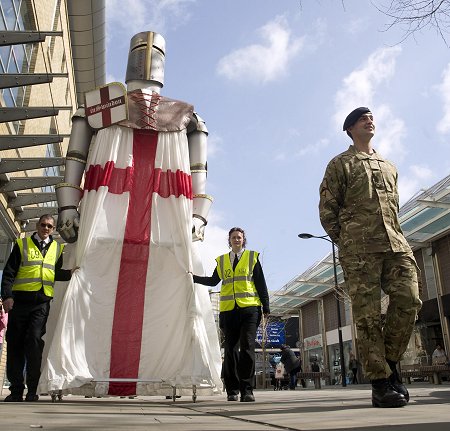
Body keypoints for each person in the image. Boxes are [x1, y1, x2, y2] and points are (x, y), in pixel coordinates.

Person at [38, 31, 222, 398]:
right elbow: (74, 157)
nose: (148, 55)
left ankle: (162, 372)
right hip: (105, 214)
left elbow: (200, 169)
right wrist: (68, 208)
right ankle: (84, 369)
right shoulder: (99, 108)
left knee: (169, 286)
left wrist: (198, 217)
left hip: (165, 218)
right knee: (89, 280)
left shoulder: (186, 117)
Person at [319, 107, 422, 408]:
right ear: (350, 129)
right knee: (366, 315)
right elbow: (327, 209)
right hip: (359, 249)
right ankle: (380, 383)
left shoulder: (389, 166)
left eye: (371, 117)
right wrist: (347, 241)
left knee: (409, 298)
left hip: (395, 244)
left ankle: (389, 363)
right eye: (363, 119)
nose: (370, 120)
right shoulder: (340, 164)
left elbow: (395, 207)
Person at [0, 215, 76, 402]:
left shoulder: (57, 249)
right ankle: (16, 391)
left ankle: (32, 390)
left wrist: (73, 273)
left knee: (34, 341)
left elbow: (54, 272)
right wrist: (7, 297)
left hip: (41, 303)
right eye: (43, 225)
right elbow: (9, 273)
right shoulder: (21, 244)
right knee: (16, 344)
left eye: (50, 226)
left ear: (54, 229)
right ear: (37, 225)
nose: (46, 228)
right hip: (19, 301)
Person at [193, 227, 270, 402]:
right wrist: (194, 277)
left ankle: (247, 391)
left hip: (250, 309)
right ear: (229, 240)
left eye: (239, 237)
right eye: (234, 237)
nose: (236, 239)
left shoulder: (252, 258)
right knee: (230, 351)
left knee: (247, 348)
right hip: (228, 311)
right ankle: (232, 390)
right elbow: (213, 281)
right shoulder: (222, 261)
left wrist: (266, 307)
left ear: (244, 240)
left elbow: (260, 283)